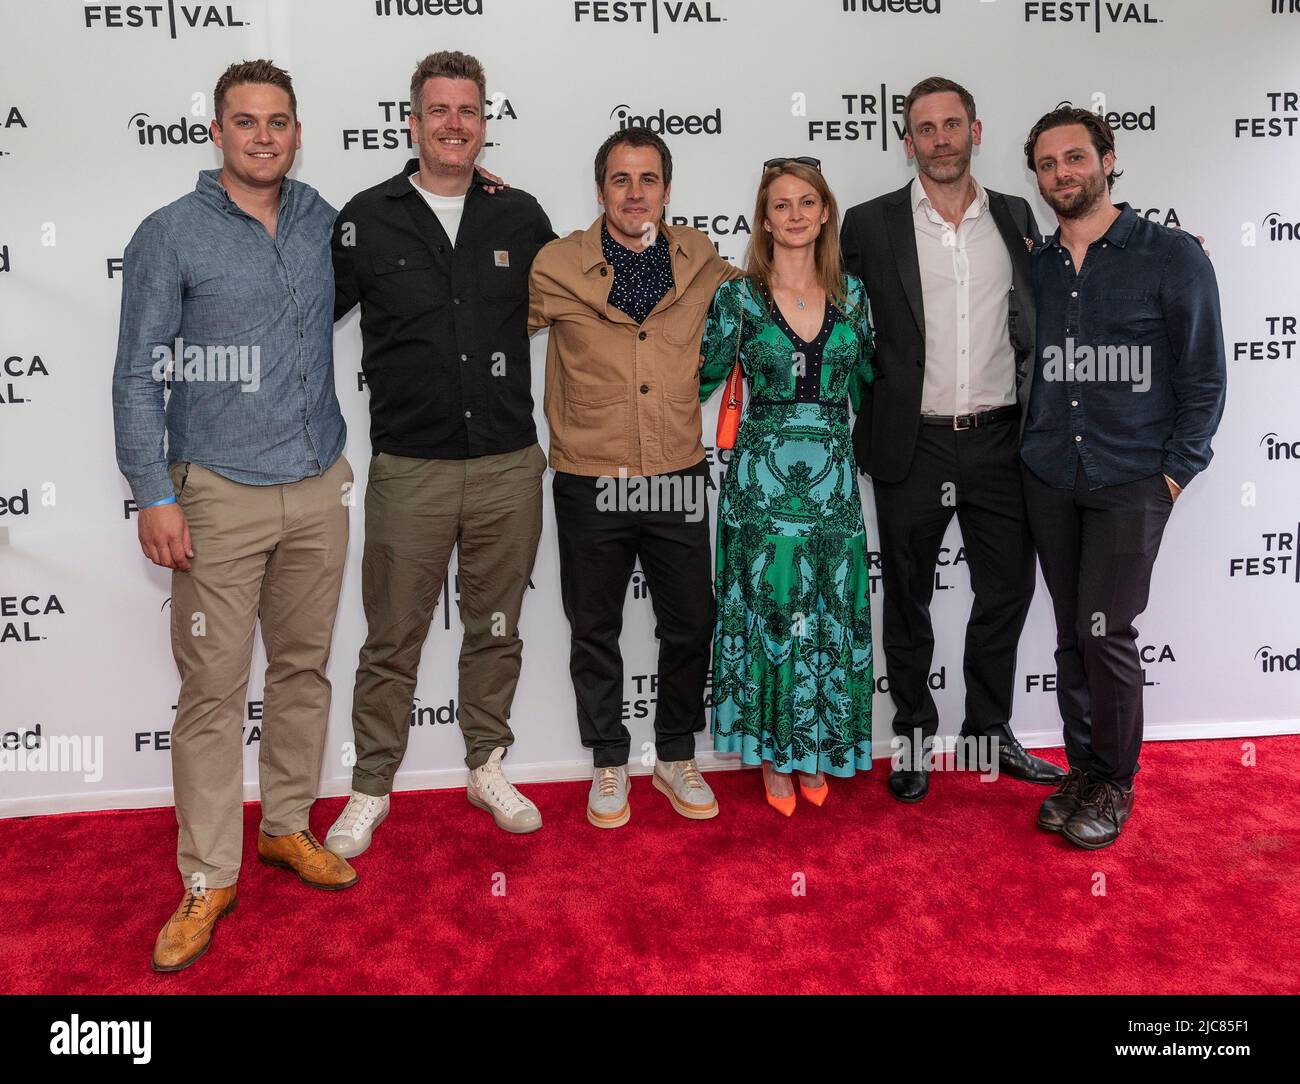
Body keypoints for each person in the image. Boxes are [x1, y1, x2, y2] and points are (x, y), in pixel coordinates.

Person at [113, 60, 357, 973]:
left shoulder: (324, 221)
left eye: (279, 121)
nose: (264, 135)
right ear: (216, 131)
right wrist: (155, 492)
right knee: (212, 691)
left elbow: (415, 235)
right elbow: (137, 371)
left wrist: (467, 182)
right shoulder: (167, 235)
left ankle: (286, 826)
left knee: (302, 667)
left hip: (318, 479)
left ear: (298, 132)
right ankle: (209, 874)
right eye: (246, 121)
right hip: (214, 491)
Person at [326, 51, 555, 854]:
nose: (453, 124)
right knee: (393, 635)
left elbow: (580, 305)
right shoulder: (365, 216)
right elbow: (302, 318)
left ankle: (486, 764)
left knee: (496, 626)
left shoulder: (520, 216)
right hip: (409, 470)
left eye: (468, 111)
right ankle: (370, 786)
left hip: (507, 466)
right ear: (413, 121)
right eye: (438, 110)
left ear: (483, 122)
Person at [839, 76, 1065, 802]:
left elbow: (1058, 294)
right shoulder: (868, 224)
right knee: (907, 598)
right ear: (907, 142)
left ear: (975, 130)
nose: (939, 139)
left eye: (951, 124)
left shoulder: (1014, 215)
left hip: (1002, 440)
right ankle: (911, 736)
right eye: (925, 128)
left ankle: (987, 734)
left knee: (1006, 590)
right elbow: (815, 303)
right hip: (913, 442)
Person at [1021, 105, 1226, 848]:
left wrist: (1173, 475)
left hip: (1132, 478)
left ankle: (1115, 781)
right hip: (1049, 475)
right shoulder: (1038, 265)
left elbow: (1204, 378)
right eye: (1047, 164)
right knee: (1074, 633)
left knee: (1108, 633)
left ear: (1108, 159)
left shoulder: (1172, 255)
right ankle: (1083, 767)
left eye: (1075, 158)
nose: (1061, 174)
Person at [528, 126, 739, 828]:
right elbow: (483, 319)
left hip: (676, 473)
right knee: (595, 626)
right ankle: (609, 760)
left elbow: (770, 294)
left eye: (648, 179)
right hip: (591, 477)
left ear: (668, 190)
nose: (634, 193)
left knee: (692, 621)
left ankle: (676, 754)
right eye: (621, 179)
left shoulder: (700, 256)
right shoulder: (556, 264)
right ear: (600, 189)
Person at [699, 159, 875, 815]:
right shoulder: (737, 297)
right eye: (781, 204)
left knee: (827, 617)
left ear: (825, 211)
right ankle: (774, 755)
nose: (795, 214)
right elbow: (696, 376)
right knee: (773, 616)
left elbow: (872, 386)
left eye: (807, 202)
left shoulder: (855, 296)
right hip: (759, 495)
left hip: (833, 490)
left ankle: (818, 748)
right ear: (764, 218)